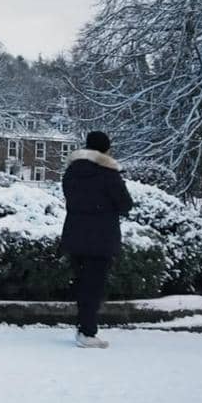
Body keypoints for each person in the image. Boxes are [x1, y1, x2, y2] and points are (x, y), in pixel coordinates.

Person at [61, 130, 133, 349]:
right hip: (101, 237)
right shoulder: (108, 173)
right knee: (94, 286)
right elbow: (125, 204)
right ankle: (87, 331)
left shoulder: (71, 172)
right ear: (106, 149)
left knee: (82, 282)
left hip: (74, 234)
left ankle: (83, 327)